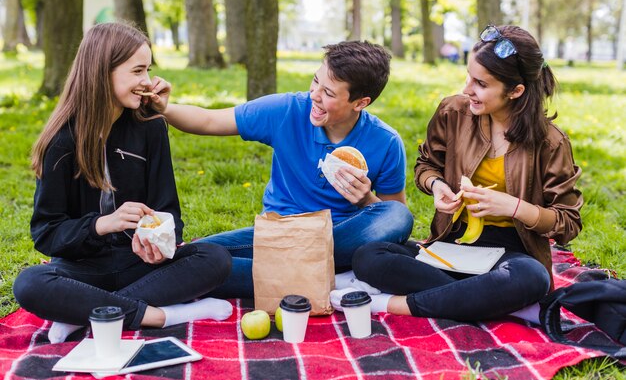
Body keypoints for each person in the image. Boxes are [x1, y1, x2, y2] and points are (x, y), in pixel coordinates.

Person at [331, 25, 583, 322]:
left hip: (509, 255)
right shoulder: (453, 113)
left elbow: (568, 223)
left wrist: (513, 207)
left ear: (516, 91)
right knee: (369, 256)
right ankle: (492, 302)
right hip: (451, 246)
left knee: (531, 277)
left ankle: (388, 304)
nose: (467, 89)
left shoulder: (551, 142)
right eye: (468, 76)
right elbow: (426, 165)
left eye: (480, 83)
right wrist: (436, 185)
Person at [12, 22, 233, 344]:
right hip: (83, 267)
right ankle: (162, 316)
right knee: (30, 283)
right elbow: (47, 233)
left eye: (148, 69)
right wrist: (103, 225)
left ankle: (86, 314)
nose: (147, 81)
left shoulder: (150, 127)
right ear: (103, 73)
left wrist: (160, 245)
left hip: (138, 264)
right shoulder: (60, 142)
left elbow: (168, 210)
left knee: (215, 259)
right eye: (138, 71)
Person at [150, 41, 414, 298]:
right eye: (315, 81)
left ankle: (294, 276)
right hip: (279, 236)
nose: (315, 95)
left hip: (340, 237)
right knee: (192, 256)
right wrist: (165, 108)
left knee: (398, 216)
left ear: (360, 103)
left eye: (329, 93)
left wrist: (366, 199)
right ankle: (325, 277)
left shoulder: (385, 141)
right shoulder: (287, 111)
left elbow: (394, 220)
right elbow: (209, 120)